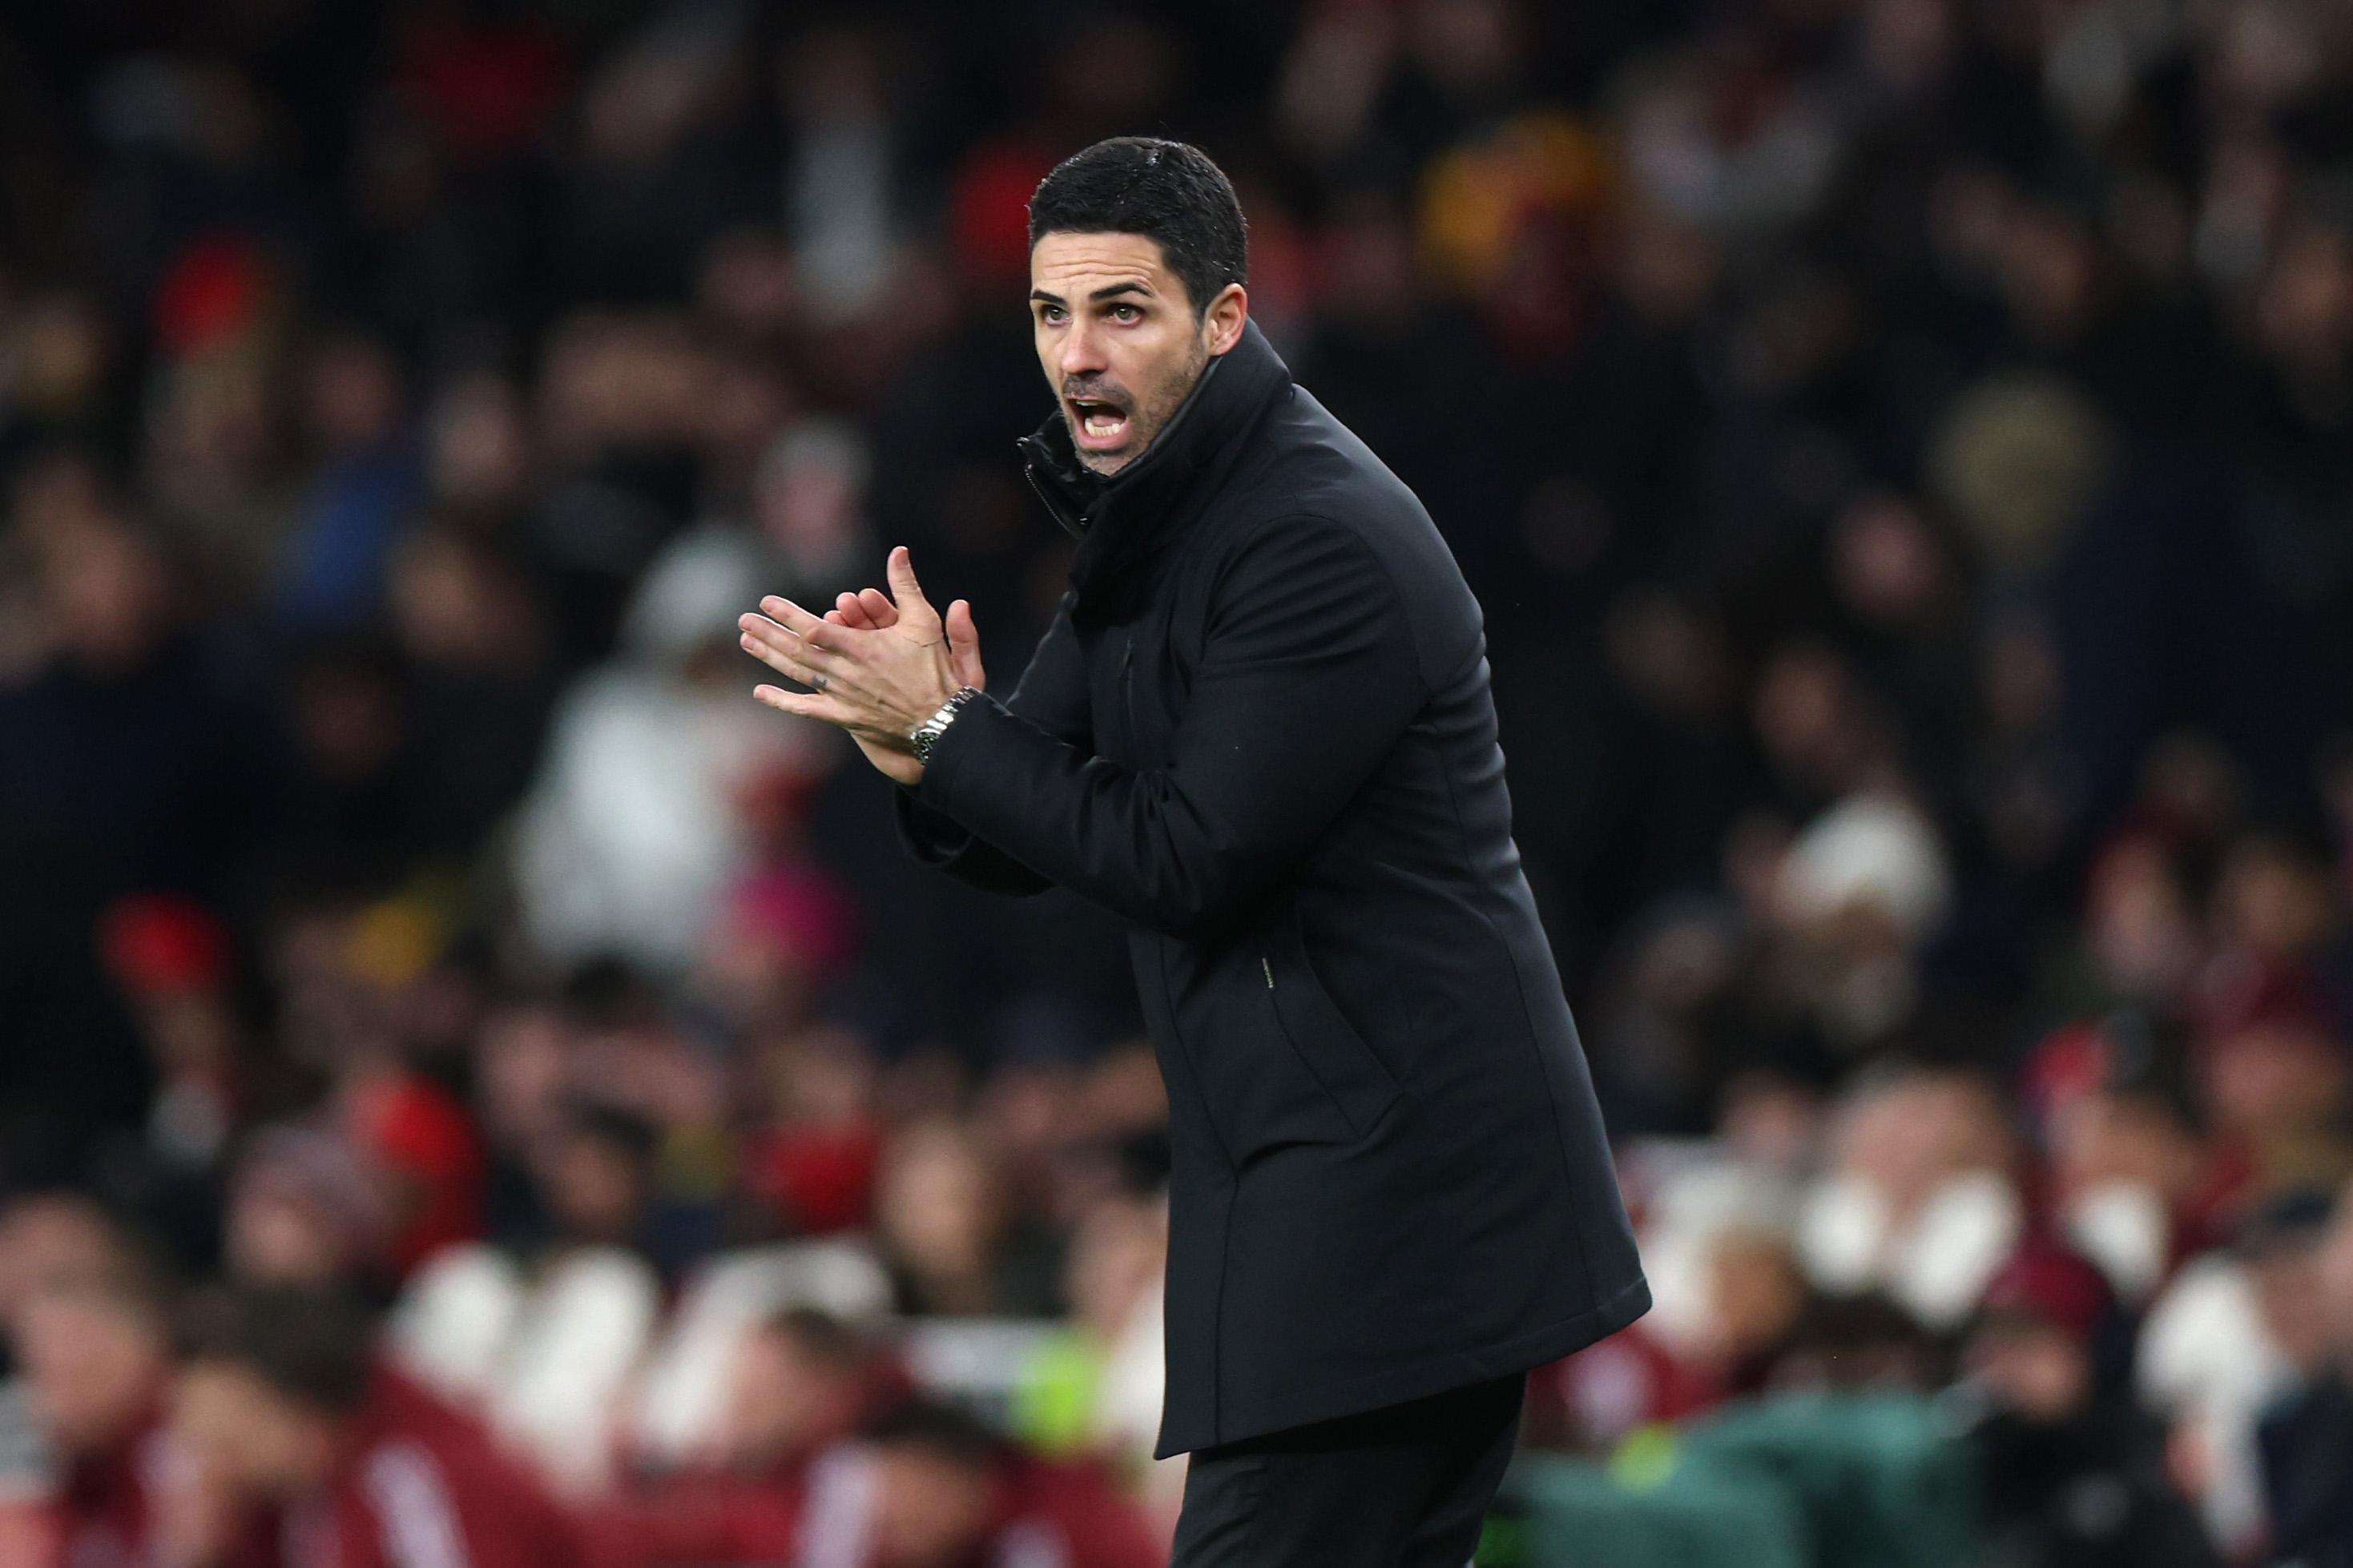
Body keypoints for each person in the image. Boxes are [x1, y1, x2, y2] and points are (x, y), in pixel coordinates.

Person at [737, 135, 1648, 1565]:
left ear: (1224, 320)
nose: (1077, 356)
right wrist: (917, 742)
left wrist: (953, 732)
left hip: (1394, 1199)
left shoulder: (1311, 537)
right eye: (1051, 314)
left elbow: (1184, 858)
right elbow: (1028, 814)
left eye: (1123, 310)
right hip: (1315, 1176)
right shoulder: (1161, 521)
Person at [171, 1284, 579, 1568]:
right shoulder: (292, 1501)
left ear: (303, 1418)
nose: (214, 1467)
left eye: (229, 1443)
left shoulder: (416, 1477)